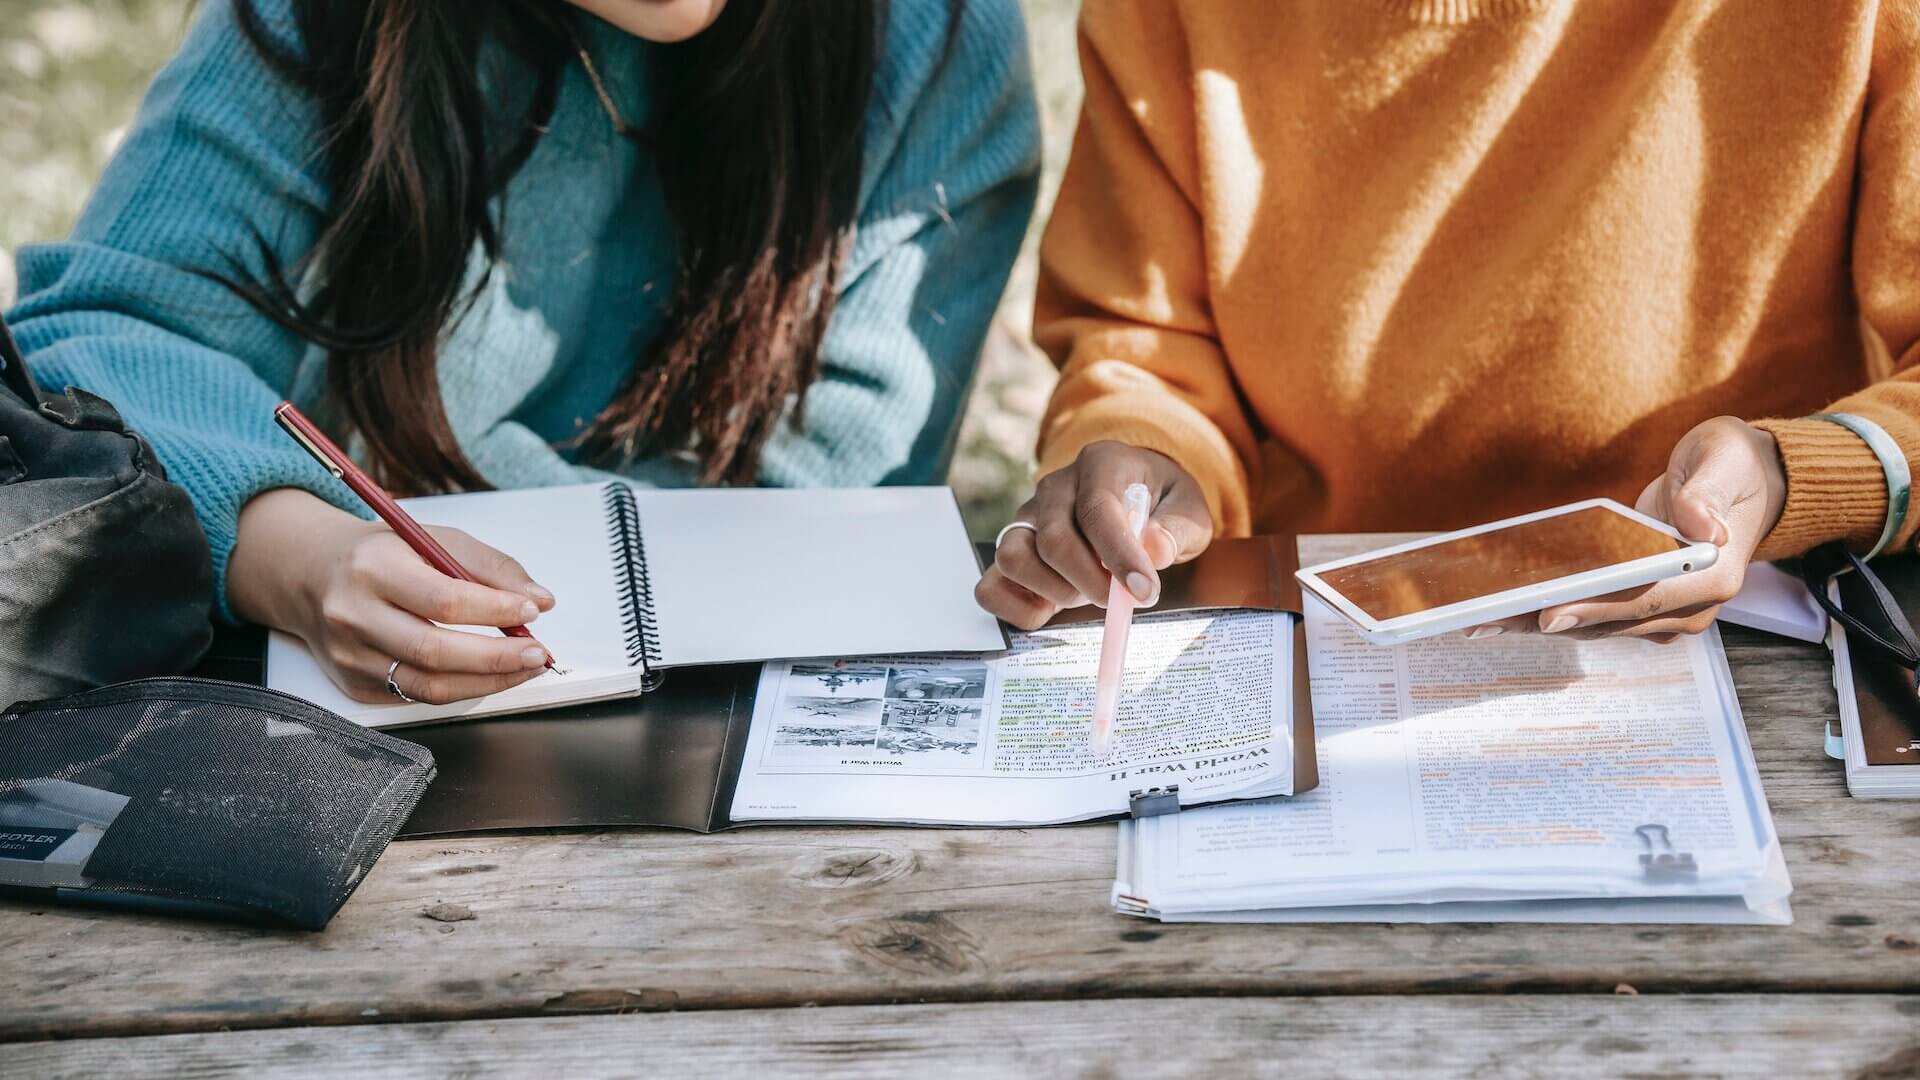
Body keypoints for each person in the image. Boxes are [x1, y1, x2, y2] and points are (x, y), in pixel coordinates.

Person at [10, 0, 1040, 703]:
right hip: (337, 736)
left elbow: (839, 507)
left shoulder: (935, 38)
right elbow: (97, 343)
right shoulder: (332, 21)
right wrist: (301, 559)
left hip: (737, 737)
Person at [978, 0, 1920, 644]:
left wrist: (1796, 474)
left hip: (1751, 647)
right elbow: (1146, 341)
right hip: (1309, 642)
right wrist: (1144, 460)